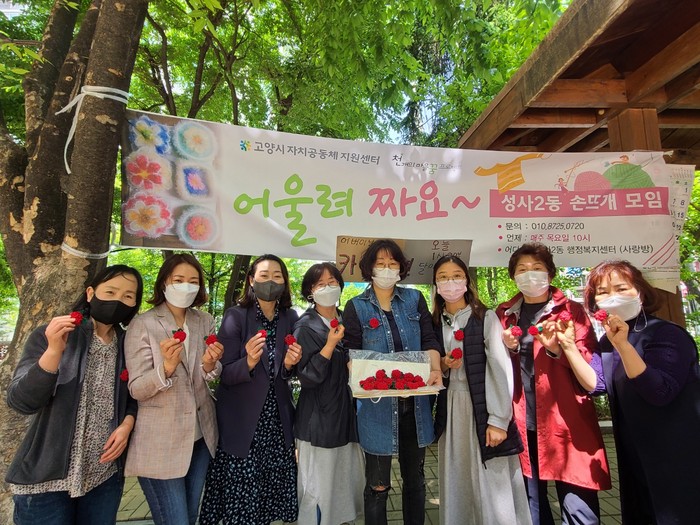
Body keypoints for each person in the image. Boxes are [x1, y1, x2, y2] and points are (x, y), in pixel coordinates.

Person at [6, 265, 143, 525]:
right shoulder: (55, 335)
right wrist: (53, 351)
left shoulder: (129, 344)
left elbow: (134, 398)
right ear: (91, 293)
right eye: (110, 291)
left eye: (128, 296)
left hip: (103, 475)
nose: (118, 300)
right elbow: (21, 402)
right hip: (46, 480)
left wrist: (127, 425)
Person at [495, 242, 610, 525]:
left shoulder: (571, 312)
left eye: (537, 268)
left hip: (567, 422)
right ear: (513, 276)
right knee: (531, 505)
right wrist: (509, 348)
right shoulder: (505, 314)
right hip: (523, 421)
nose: (529, 275)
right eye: (522, 270)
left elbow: (591, 372)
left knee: (579, 507)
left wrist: (558, 350)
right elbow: (496, 367)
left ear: (550, 273)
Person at [581, 260, 700, 524]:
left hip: (677, 453)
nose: (612, 297)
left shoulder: (667, 334)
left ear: (641, 293)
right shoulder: (607, 341)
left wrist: (624, 346)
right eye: (602, 292)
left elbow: (659, 391)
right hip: (635, 452)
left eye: (621, 288)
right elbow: (596, 384)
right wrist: (566, 346)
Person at [342, 239, 442, 525]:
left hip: (415, 406)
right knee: (377, 487)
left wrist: (435, 368)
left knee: (415, 482)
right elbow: (350, 351)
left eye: (392, 263)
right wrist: (360, 370)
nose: (387, 269)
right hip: (376, 409)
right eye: (380, 264)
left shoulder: (414, 299)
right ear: (369, 268)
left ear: (401, 268)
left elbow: (429, 338)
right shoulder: (356, 306)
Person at [200, 254, 302, 525]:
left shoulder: (290, 317)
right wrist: (248, 362)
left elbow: (287, 374)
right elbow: (223, 373)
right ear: (251, 280)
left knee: (267, 502)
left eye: (277, 276)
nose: (271, 281)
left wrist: (289, 365)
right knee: (241, 502)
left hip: (276, 424)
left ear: (285, 282)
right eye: (264, 275)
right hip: (243, 424)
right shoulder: (236, 316)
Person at [431, 255, 531, 525]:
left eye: (456, 275)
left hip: (483, 405)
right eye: (442, 277)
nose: (450, 282)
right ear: (435, 284)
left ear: (466, 280)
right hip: (451, 409)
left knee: (490, 476)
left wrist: (498, 420)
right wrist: (443, 364)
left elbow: (500, 368)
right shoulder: (434, 322)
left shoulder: (484, 317)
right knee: (457, 474)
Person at [124, 253, 223, 525]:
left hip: (201, 436)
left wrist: (210, 364)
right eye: (178, 280)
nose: (186, 286)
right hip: (160, 441)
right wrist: (166, 368)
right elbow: (137, 388)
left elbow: (210, 373)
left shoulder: (204, 320)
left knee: (189, 516)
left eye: (193, 281)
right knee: (174, 519)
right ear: (164, 283)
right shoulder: (143, 323)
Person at [293, 262, 364, 525]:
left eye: (332, 282)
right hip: (319, 421)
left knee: (343, 482)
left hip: (346, 416)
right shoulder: (305, 327)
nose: (327, 287)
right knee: (318, 487)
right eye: (320, 284)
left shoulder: (347, 320)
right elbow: (307, 378)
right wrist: (330, 345)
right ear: (310, 292)